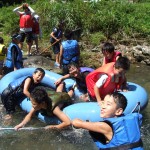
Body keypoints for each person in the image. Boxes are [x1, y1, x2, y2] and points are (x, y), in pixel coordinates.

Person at [72, 92, 143, 150]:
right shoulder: (131, 120)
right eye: (103, 103)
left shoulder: (104, 126)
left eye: (108, 104)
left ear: (118, 111)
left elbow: (76, 123)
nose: (103, 107)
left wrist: (81, 122)